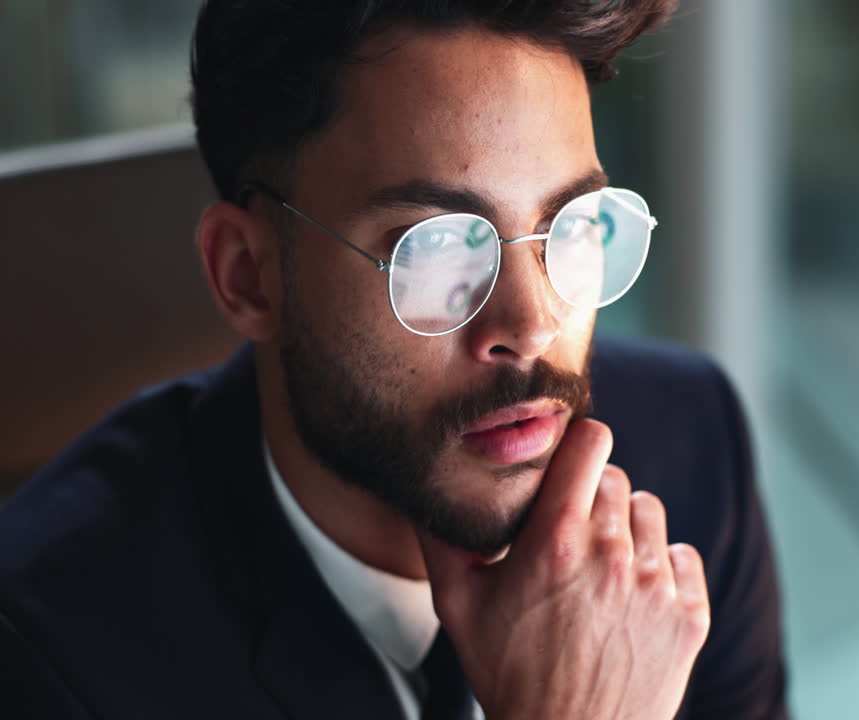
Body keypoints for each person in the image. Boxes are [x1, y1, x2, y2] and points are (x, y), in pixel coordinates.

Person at [0, 2, 788, 718]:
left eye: (572, 226)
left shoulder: (692, 452)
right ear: (248, 275)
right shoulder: (53, 653)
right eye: (437, 249)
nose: (534, 323)